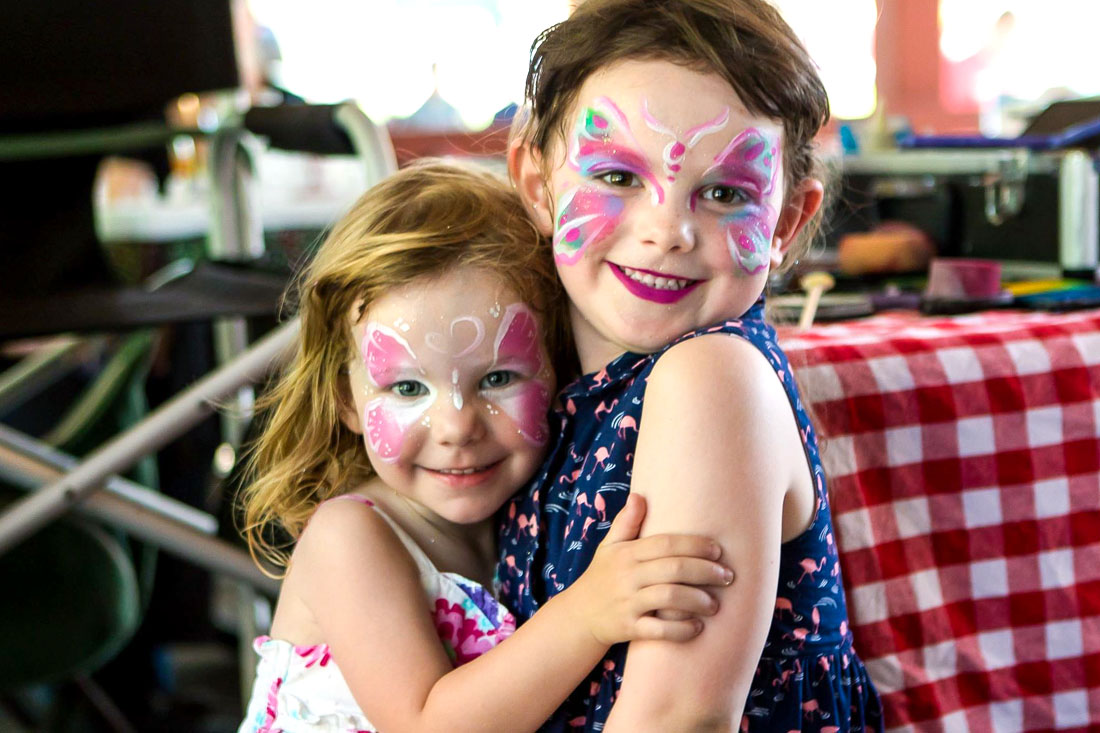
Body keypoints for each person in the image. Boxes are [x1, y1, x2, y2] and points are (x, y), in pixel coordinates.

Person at [236, 160, 734, 733]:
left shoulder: (528, 515)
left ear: (555, 368)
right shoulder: (349, 538)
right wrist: (587, 615)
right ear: (346, 401)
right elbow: (426, 727)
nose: (456, 427)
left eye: (497, 379)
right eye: (407, 388)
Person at [499, 1, 884, 730]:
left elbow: (680, 717)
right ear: (538, 185)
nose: (668, 230)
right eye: (617, 176)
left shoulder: (710, 381)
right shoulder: (552, 385)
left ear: (787, 222)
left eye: (725, 193)